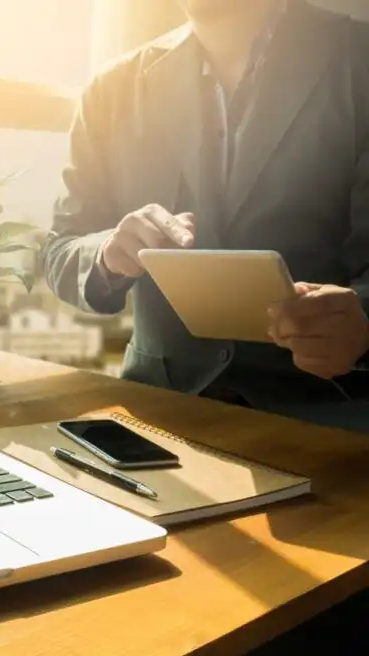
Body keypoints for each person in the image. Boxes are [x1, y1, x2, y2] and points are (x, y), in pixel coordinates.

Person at [41, 0, 369, 432]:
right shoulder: (111, 89)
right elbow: (61, 249)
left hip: (329, 424)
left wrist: (362, 325)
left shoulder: (356, 60)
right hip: (157, 418)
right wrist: (106, 253)